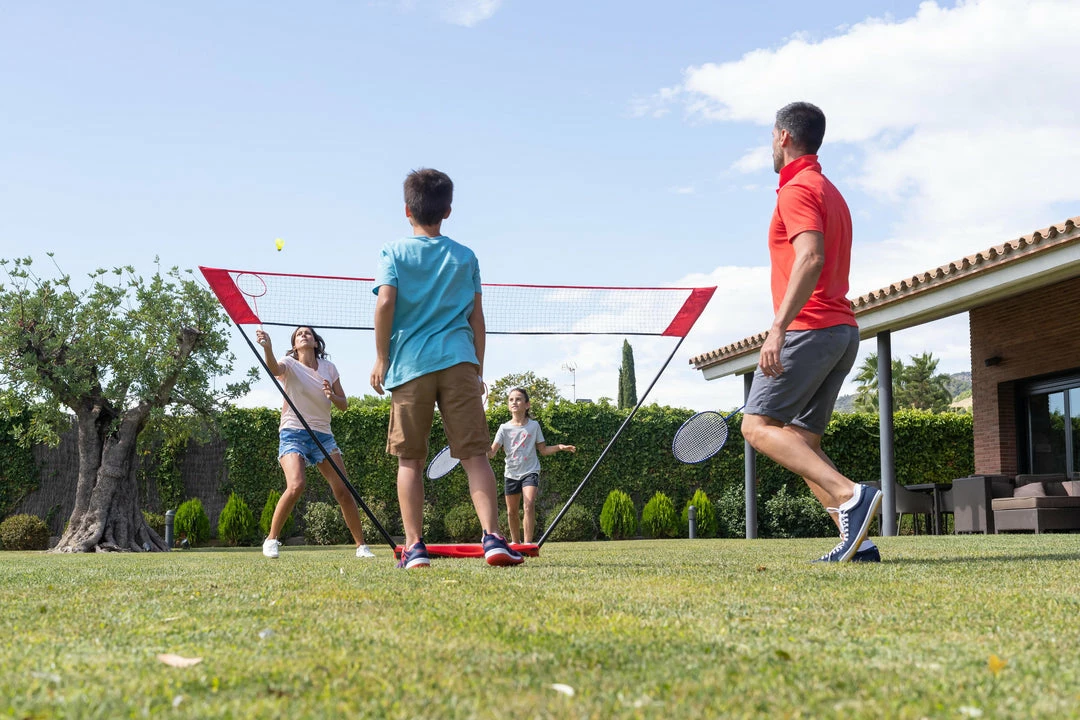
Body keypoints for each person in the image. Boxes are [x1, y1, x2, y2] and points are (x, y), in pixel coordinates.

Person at [739, 102, 882, 563]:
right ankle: (857, 544)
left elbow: (811, 257)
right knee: (802, 442)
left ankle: (850, 495)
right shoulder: (830, 190)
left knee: (757, 426)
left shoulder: (796, 189)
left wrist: (777, 328)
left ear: (782, 137)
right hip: (841, 330)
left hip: (809, 326)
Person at [370, 167, 523, 569]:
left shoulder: (393, 252)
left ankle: (415, 548)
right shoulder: (466, 256)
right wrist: (478, 367)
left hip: (410, 367)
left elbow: (385, 303)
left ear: (407, 210)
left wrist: (382, 357)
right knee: (476, 456)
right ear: (448, 210)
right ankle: (493, 539)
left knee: (409, 460)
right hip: (459, 361)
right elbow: (477, 319)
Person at [256, 326, 375, 559]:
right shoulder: (288, 364)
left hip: (323, 435)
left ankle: (361, 546)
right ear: (295, 345)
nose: (303, 335)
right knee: (296, 484)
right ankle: (271, 539)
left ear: (315, 342)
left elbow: (344, 404)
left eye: (307, 333)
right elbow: (273, 368)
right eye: (299, 334)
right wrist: (267, 348)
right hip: (293, 431)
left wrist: (332, 395)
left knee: (343, 490)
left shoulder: (329, 368)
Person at [489, 387, 576, 544]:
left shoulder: (534, 426)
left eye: (518, 399)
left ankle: (528, 544)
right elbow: (492, 453)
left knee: (528, 504)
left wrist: (559, 447)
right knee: (511, 511)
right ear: (508, 405)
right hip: (511, 473)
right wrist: (480, 448)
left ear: (527, 404)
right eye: (511, 400)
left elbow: (542, 450)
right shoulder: (504, 428)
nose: (514, 402)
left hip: (530, 471)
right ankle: (516, 544)